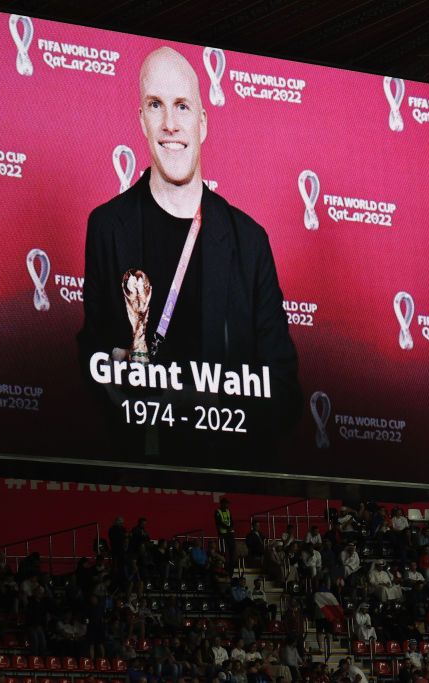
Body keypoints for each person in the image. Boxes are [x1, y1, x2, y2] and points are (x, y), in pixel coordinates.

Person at [78, 46, 301, 456]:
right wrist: (110, 366)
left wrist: (208, 402)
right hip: (139, 466)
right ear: (141, 120)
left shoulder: (250, 242)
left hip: (223, 463)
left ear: (202, 123)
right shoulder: (107, 226)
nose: (169, 124)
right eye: (155, 105)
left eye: (182, 107)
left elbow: (283, 388)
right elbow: (89, 354)